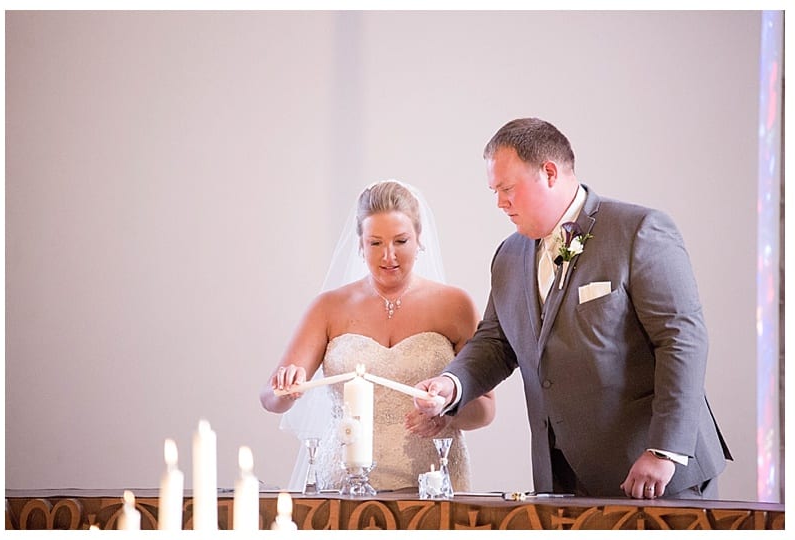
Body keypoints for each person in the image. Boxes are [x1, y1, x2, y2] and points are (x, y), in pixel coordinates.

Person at [414, 118, 732, 500]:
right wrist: (452, 383)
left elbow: (681, 340)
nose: (499, 202)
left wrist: (663, 451)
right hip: (560, 479)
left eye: (507, 188)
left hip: (654, 475)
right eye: (494, 190)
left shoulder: (639, 231)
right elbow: (495, 342)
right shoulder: (508, 256)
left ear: (549, 172)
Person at [260, 180, 495, 492]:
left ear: (419, 239)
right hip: (345, 482)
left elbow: (487, 409)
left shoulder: (455, 305)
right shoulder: (329, 307)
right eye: (375, 243)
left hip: (431, 482)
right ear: (360, 243)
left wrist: (448, 413)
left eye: (400, 241)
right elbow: (270, 399)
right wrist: (284, 389)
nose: (388, 256)